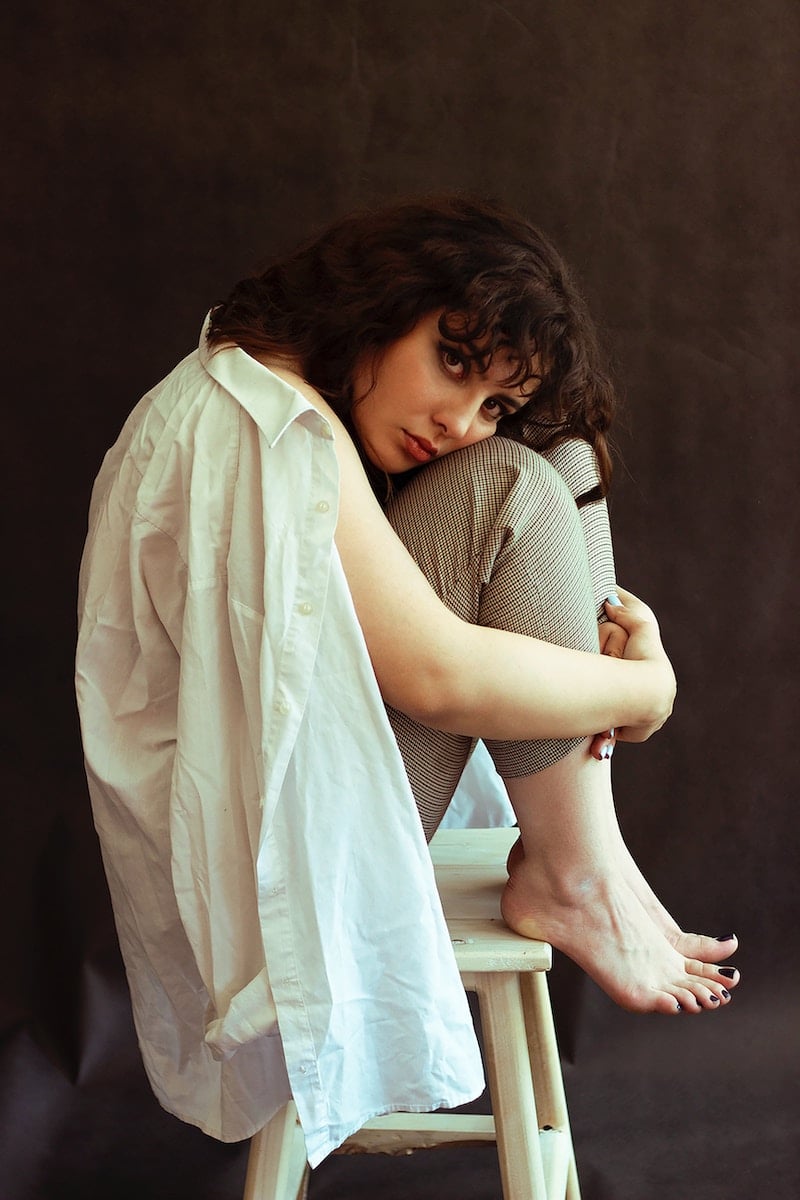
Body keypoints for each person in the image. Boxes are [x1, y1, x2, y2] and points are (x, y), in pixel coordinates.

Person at [75, 196, 738, 1163]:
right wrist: (644, 692)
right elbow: (435, 675)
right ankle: (574, 867)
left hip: (289, 791)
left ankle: (588, 853)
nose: (460, 420)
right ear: (378, 304)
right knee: (508, 484)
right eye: (454, 362)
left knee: (561, 450)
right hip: (261, 855)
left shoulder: (274, 381)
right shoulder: (275, 411)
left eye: (489, 401)